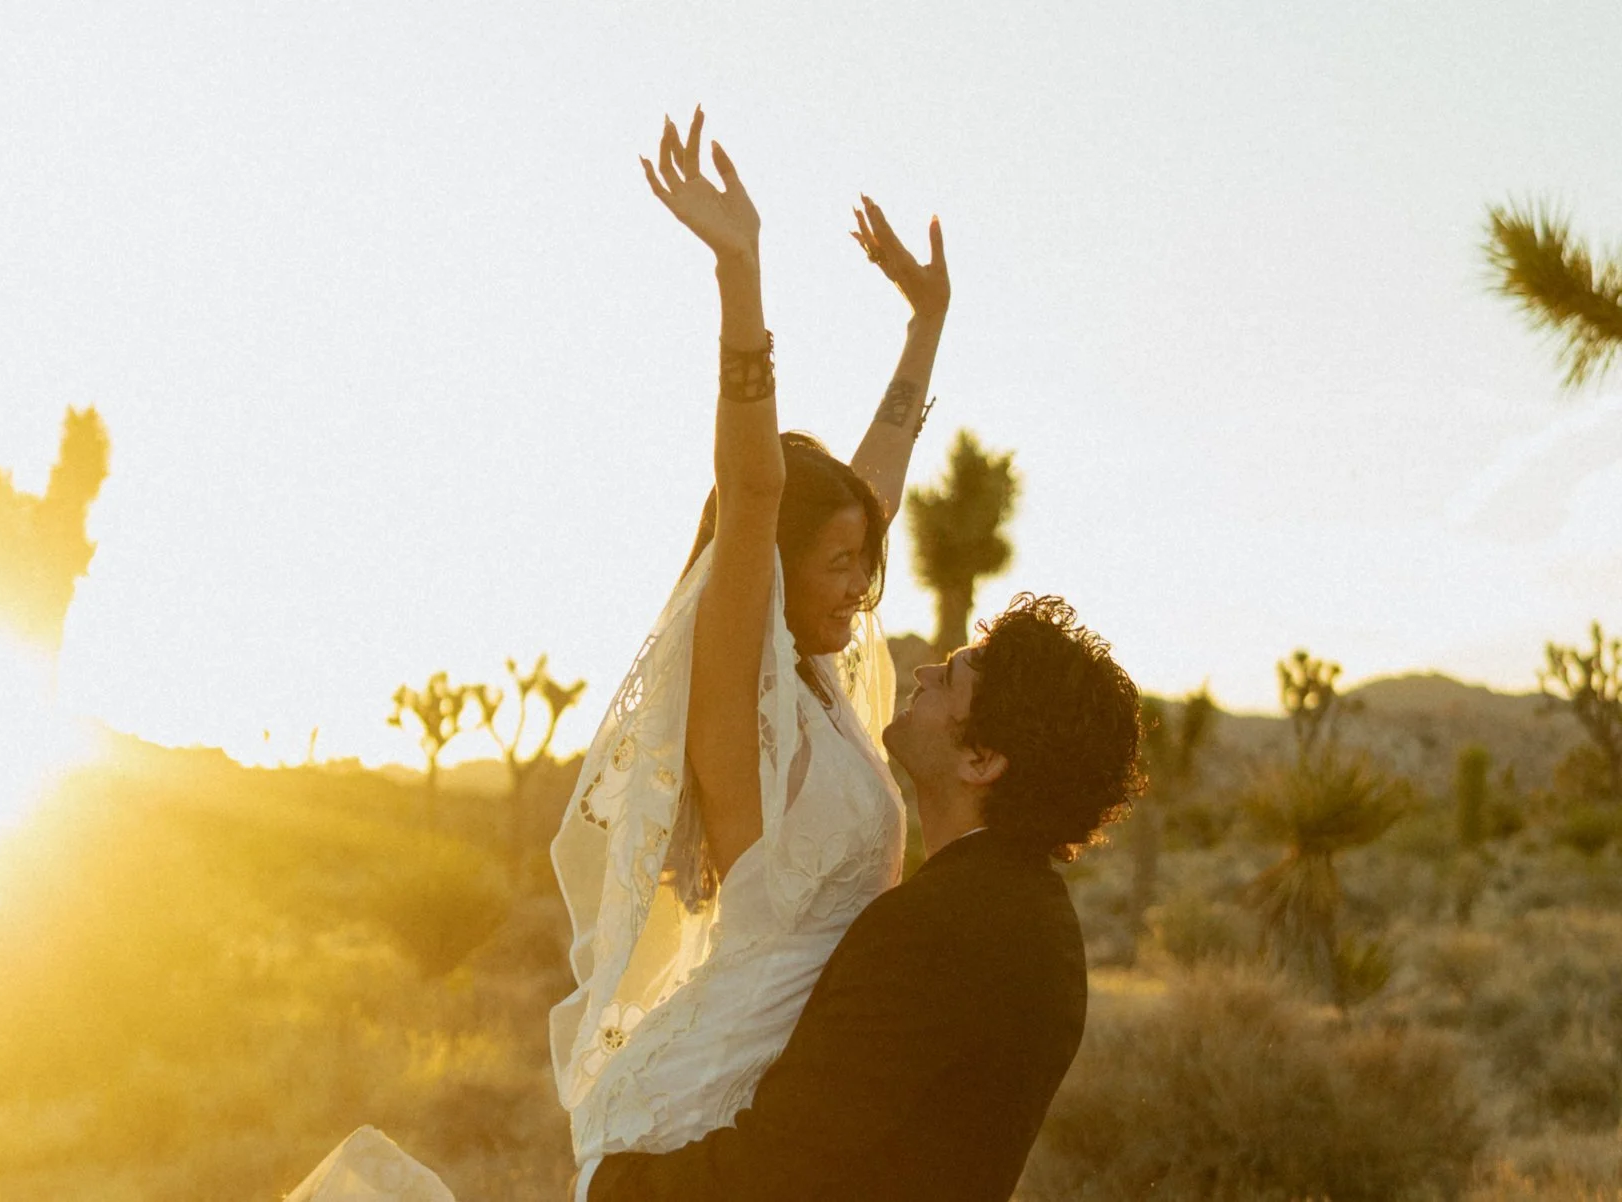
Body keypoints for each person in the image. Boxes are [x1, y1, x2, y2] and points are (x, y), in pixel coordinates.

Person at [286, 108, 951, 1201]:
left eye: (863, 564)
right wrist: (741, 272)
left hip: (790, 1103)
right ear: (774, 570)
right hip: (702, 1117)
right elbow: (754, 490)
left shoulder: (822, 695)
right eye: (836, 564)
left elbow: (866, 485)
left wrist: (924, 323)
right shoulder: (736, 708)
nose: (860, 586)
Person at [582, 594, 1145, 1201]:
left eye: (949, 678)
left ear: (981, 760)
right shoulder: (1039, 917)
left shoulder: (933, 931)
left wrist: (614, 1187)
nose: (924, 672)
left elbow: (784, 1165)